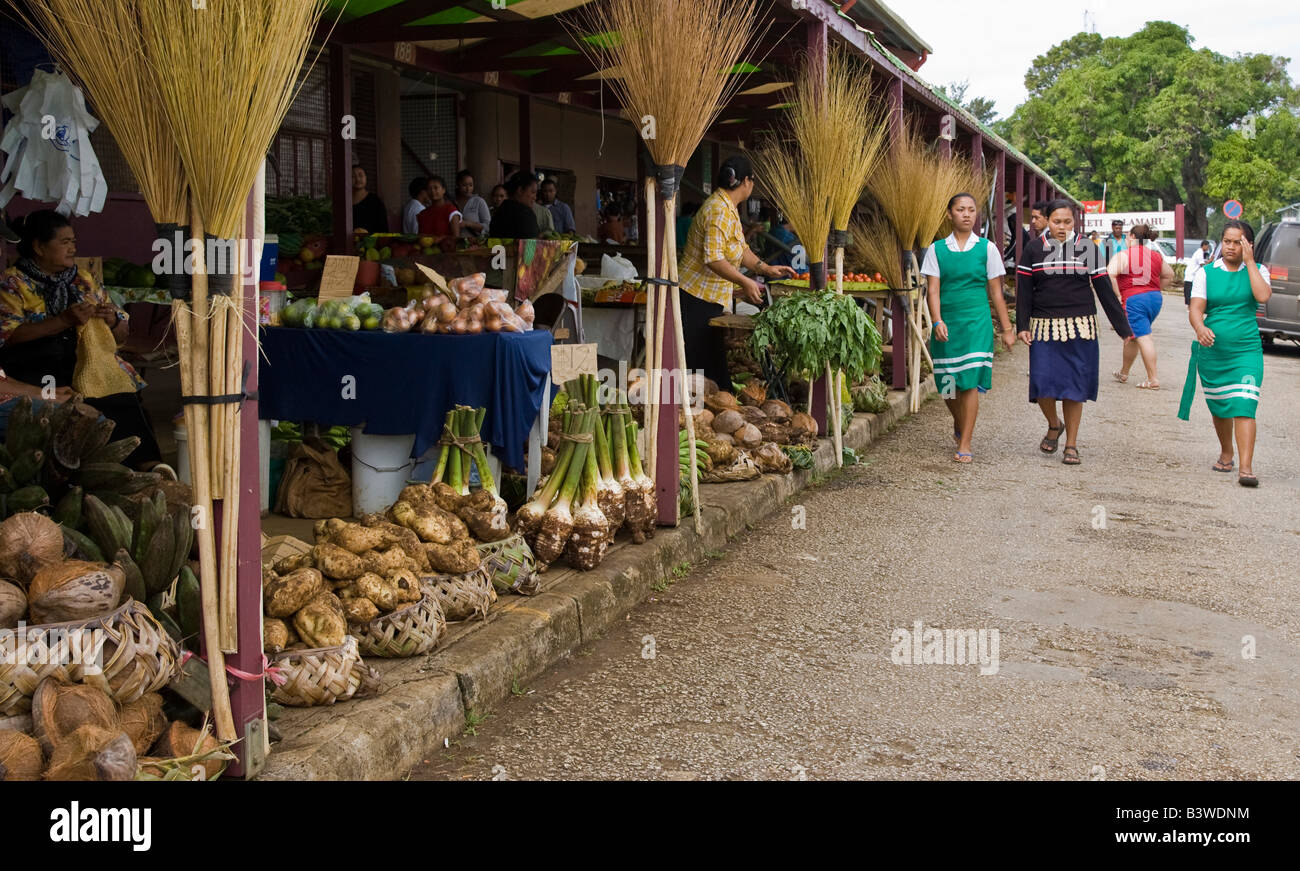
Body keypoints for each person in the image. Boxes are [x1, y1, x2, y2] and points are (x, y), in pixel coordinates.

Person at [0, 211, 163, 470]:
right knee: (76, 404)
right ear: (39, 247)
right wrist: (62, 322)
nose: (72, 247)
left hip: (86, 362)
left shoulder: (84, 280)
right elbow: (8, 337)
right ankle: (92, 471)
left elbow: (121, 333)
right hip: (35, 365)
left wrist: (111, 320)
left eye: (73, 241)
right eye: (64, 242)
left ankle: (148, 466)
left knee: (121, 394)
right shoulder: (12, 282)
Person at [1015, 199, 1134, 466]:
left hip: (1081, 328)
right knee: (1042, 383)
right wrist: (1022, 326)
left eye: (1068, 222)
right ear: (1047, 221)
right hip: (1044, 327)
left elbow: (1104, 289)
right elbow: (1024, 290)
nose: (1062, 227)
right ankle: (1054, 424)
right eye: (1057, 221)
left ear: (1075, 222)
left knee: (1074, 387)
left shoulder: (1088, 249)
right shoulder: (1034, 250)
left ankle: (1072, 444)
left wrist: (1123, 328)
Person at [678, 155, 797, 386]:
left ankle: (713, 407)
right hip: (694, 298)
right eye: (752, 180)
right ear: (746, 182)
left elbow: (741, 249)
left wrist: (766, 268)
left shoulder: (728, 207)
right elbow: (713, 258)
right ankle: (693, 415)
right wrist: (745, 281)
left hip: (709, 299)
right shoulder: (718, 210)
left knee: (713, 370)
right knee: (700, 372)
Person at [1178, 220, 1271, 487]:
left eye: (1237, 242)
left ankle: (1246, 468)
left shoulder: (1259, 270)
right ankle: (1226, 452)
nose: (1230, 247)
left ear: (1248, 244)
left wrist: (1251, 262)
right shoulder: (1207, 273)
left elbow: (1263, 296)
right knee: (1220, 407)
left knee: (1244, 404)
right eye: (1227, 241)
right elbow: (1196, 309)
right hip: (1213, 351)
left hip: (1246, 351)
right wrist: (1200, 327)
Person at [924, 194, 1017, 463]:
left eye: (971, 210)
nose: (967, 214)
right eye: (960, 210)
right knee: (948, 386)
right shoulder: (936, 249)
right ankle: (960, 421)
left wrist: (1007, 328)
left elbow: (997, 293)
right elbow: (933, 290)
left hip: (977, 322)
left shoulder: (987, 249)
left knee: (970, 383)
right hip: (947, 323)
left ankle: (965, 442)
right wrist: (937, 320)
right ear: (949, 214)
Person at [1109, 223, 1173, 389]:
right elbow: (1169, 275)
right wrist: (1155, 288)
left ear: (1131, 236)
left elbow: (1110, 273)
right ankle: (1124, 372)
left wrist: (1117, 295)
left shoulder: (1124, 255)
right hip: (1154, 298)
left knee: (1143, 336)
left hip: (1133, 298)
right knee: (1133, 336)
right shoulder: (1155, 255)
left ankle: (1153, 379)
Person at [488, 172, 540, 239]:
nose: (535, 197)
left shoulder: (500, 210)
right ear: (520, 190)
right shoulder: (525, 213)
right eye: (533, 192)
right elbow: (530, 245)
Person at [351, 165, 389, 234]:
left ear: (366, 177)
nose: (357, 179)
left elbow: (383, 228)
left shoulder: (375, 201)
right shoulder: (344, 202)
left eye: (360, 175)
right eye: (353, 176)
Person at [453, 170, 491, 238]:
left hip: (474, 244)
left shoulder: (479, 201)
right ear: (457, 185)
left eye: (470, 185)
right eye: (464, 185)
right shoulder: (452, 202)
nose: (468, 189)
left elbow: (488, 227)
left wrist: (468, 224)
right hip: (454, 242)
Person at [1184, 239, 1212, 306]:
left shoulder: (1200, 252)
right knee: (1189, 291)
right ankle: (1190, 306)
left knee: (1190, 290)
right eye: (1207, 246)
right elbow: (1202, 265)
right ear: (1204, 245)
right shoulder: (1199, 253)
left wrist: (1209, 261)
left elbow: (1203, 262)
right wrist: (1210, 262)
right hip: (1191, 275)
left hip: (1192, 275)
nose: (1208, 248)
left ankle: (1190, 305)